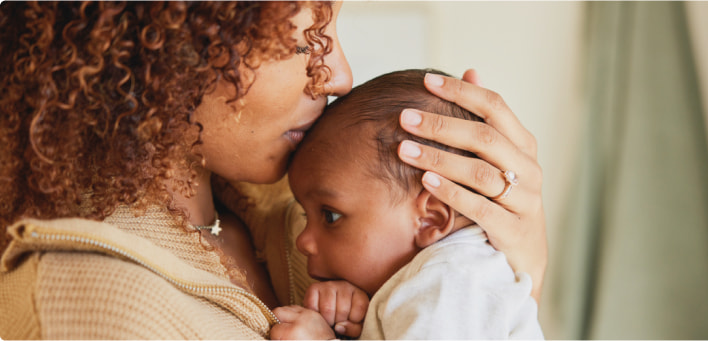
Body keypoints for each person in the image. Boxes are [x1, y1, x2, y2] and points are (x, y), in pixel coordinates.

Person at [0, 1, 547, 339]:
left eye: (333, 27)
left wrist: (508, 266)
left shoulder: (304, 216)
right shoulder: (88, 308)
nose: (338, 75)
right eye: (301, 39)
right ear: (170, 44)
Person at [271, 69, 544, 339]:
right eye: (306, 216)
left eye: (330, 216)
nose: (303, 241)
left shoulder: (449, 282)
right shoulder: (454, 278)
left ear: (430, 219)